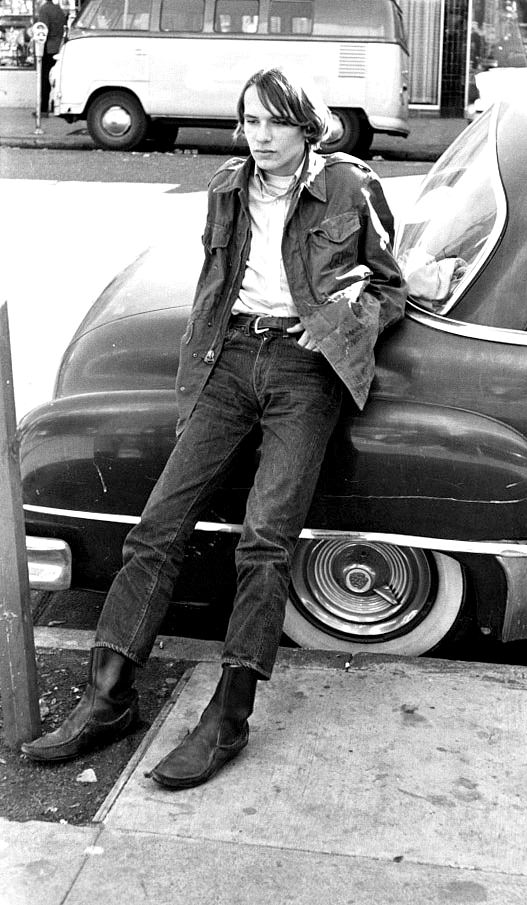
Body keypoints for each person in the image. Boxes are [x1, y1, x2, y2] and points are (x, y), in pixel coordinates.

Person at [21, 67, 407, 790]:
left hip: (304, 367)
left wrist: (342, 330)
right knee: (157, 526)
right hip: (231, 358)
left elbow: (389, 283)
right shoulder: (229, 185)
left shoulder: (351, 187)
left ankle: (229, 715)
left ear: (304, 127)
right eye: (250, 122)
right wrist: (202, 366)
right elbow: (214, 280)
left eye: (274, 123)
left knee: (265, 539)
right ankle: (109, 700)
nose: (259, 136)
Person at [35, 0, 66, 115]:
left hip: (48, 48)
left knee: (44, 79)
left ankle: (43, 109)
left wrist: (37, 49)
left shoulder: (44, 10)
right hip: (58, 47)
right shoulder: (58, 9)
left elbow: (42, 31)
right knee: (54, 78)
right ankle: (55, 105)